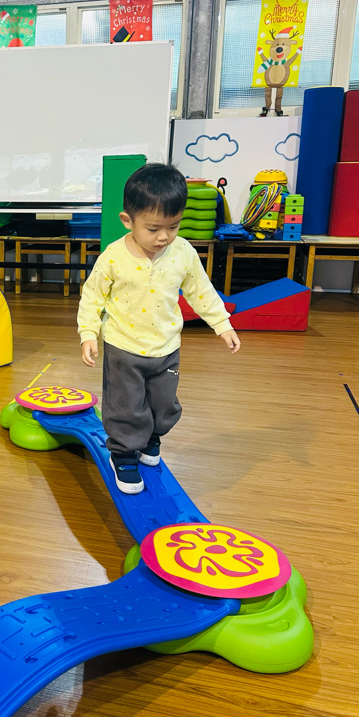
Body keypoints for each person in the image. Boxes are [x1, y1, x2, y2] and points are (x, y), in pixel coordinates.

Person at [78, 164, 240, 494]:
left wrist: (222, 324)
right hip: (123, 347)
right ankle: (124, 455)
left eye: (173, 226)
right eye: (153, 228)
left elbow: (201, 290)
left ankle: (152, 437)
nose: (164, 237)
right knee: (126, 405)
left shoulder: (182, 252)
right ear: (128, 220)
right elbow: (93, 295)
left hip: (166, 347)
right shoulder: (114, 257)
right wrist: (88, 333)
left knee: (164, 404)